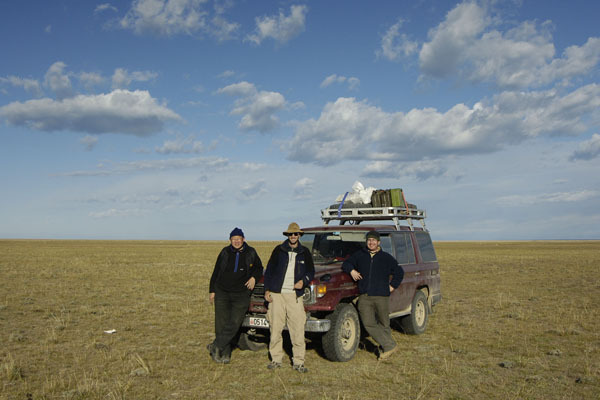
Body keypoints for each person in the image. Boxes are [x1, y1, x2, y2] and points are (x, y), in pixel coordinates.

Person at [342, 231, 403, 360]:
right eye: (369, 240)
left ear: (379, 242)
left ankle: (386, 348)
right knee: (368, 323)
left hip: (382, 296)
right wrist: (352, 270)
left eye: (374, 241)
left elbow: (399, 272)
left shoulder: (386, 257)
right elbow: (346, 264)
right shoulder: (359, 255)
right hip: (365, 296)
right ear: (366, 242)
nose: (371, 243)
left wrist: (392, 286)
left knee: (384, 323)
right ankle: (390, 345)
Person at [263, 222, 315, 373]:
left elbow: (311, 272)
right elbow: (269, 271)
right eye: (290, 234)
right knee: (275, 328)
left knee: (297, 329)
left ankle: (299, 362)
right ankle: (276, 359)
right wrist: (267, 290)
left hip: (294, 296)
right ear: (287, 235)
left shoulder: (304, 252)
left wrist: (303, 281)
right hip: (277, 295)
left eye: (296, 234)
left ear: (299, 235)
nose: (293, 236)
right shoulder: (278, 250)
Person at [208, 227, 263, 364]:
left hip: (241, 294)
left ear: (243, 239)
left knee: (234, 323)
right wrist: (212, 290)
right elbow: (216, 271)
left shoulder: (251, 252)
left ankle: (215, 345)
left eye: (239, 239)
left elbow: (259, 268)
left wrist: (254, 278)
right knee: (221, 324)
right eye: (234, 239)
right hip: (222, 292)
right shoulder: (225, 252)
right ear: (230, 240)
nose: (237, 241)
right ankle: (224, 354)